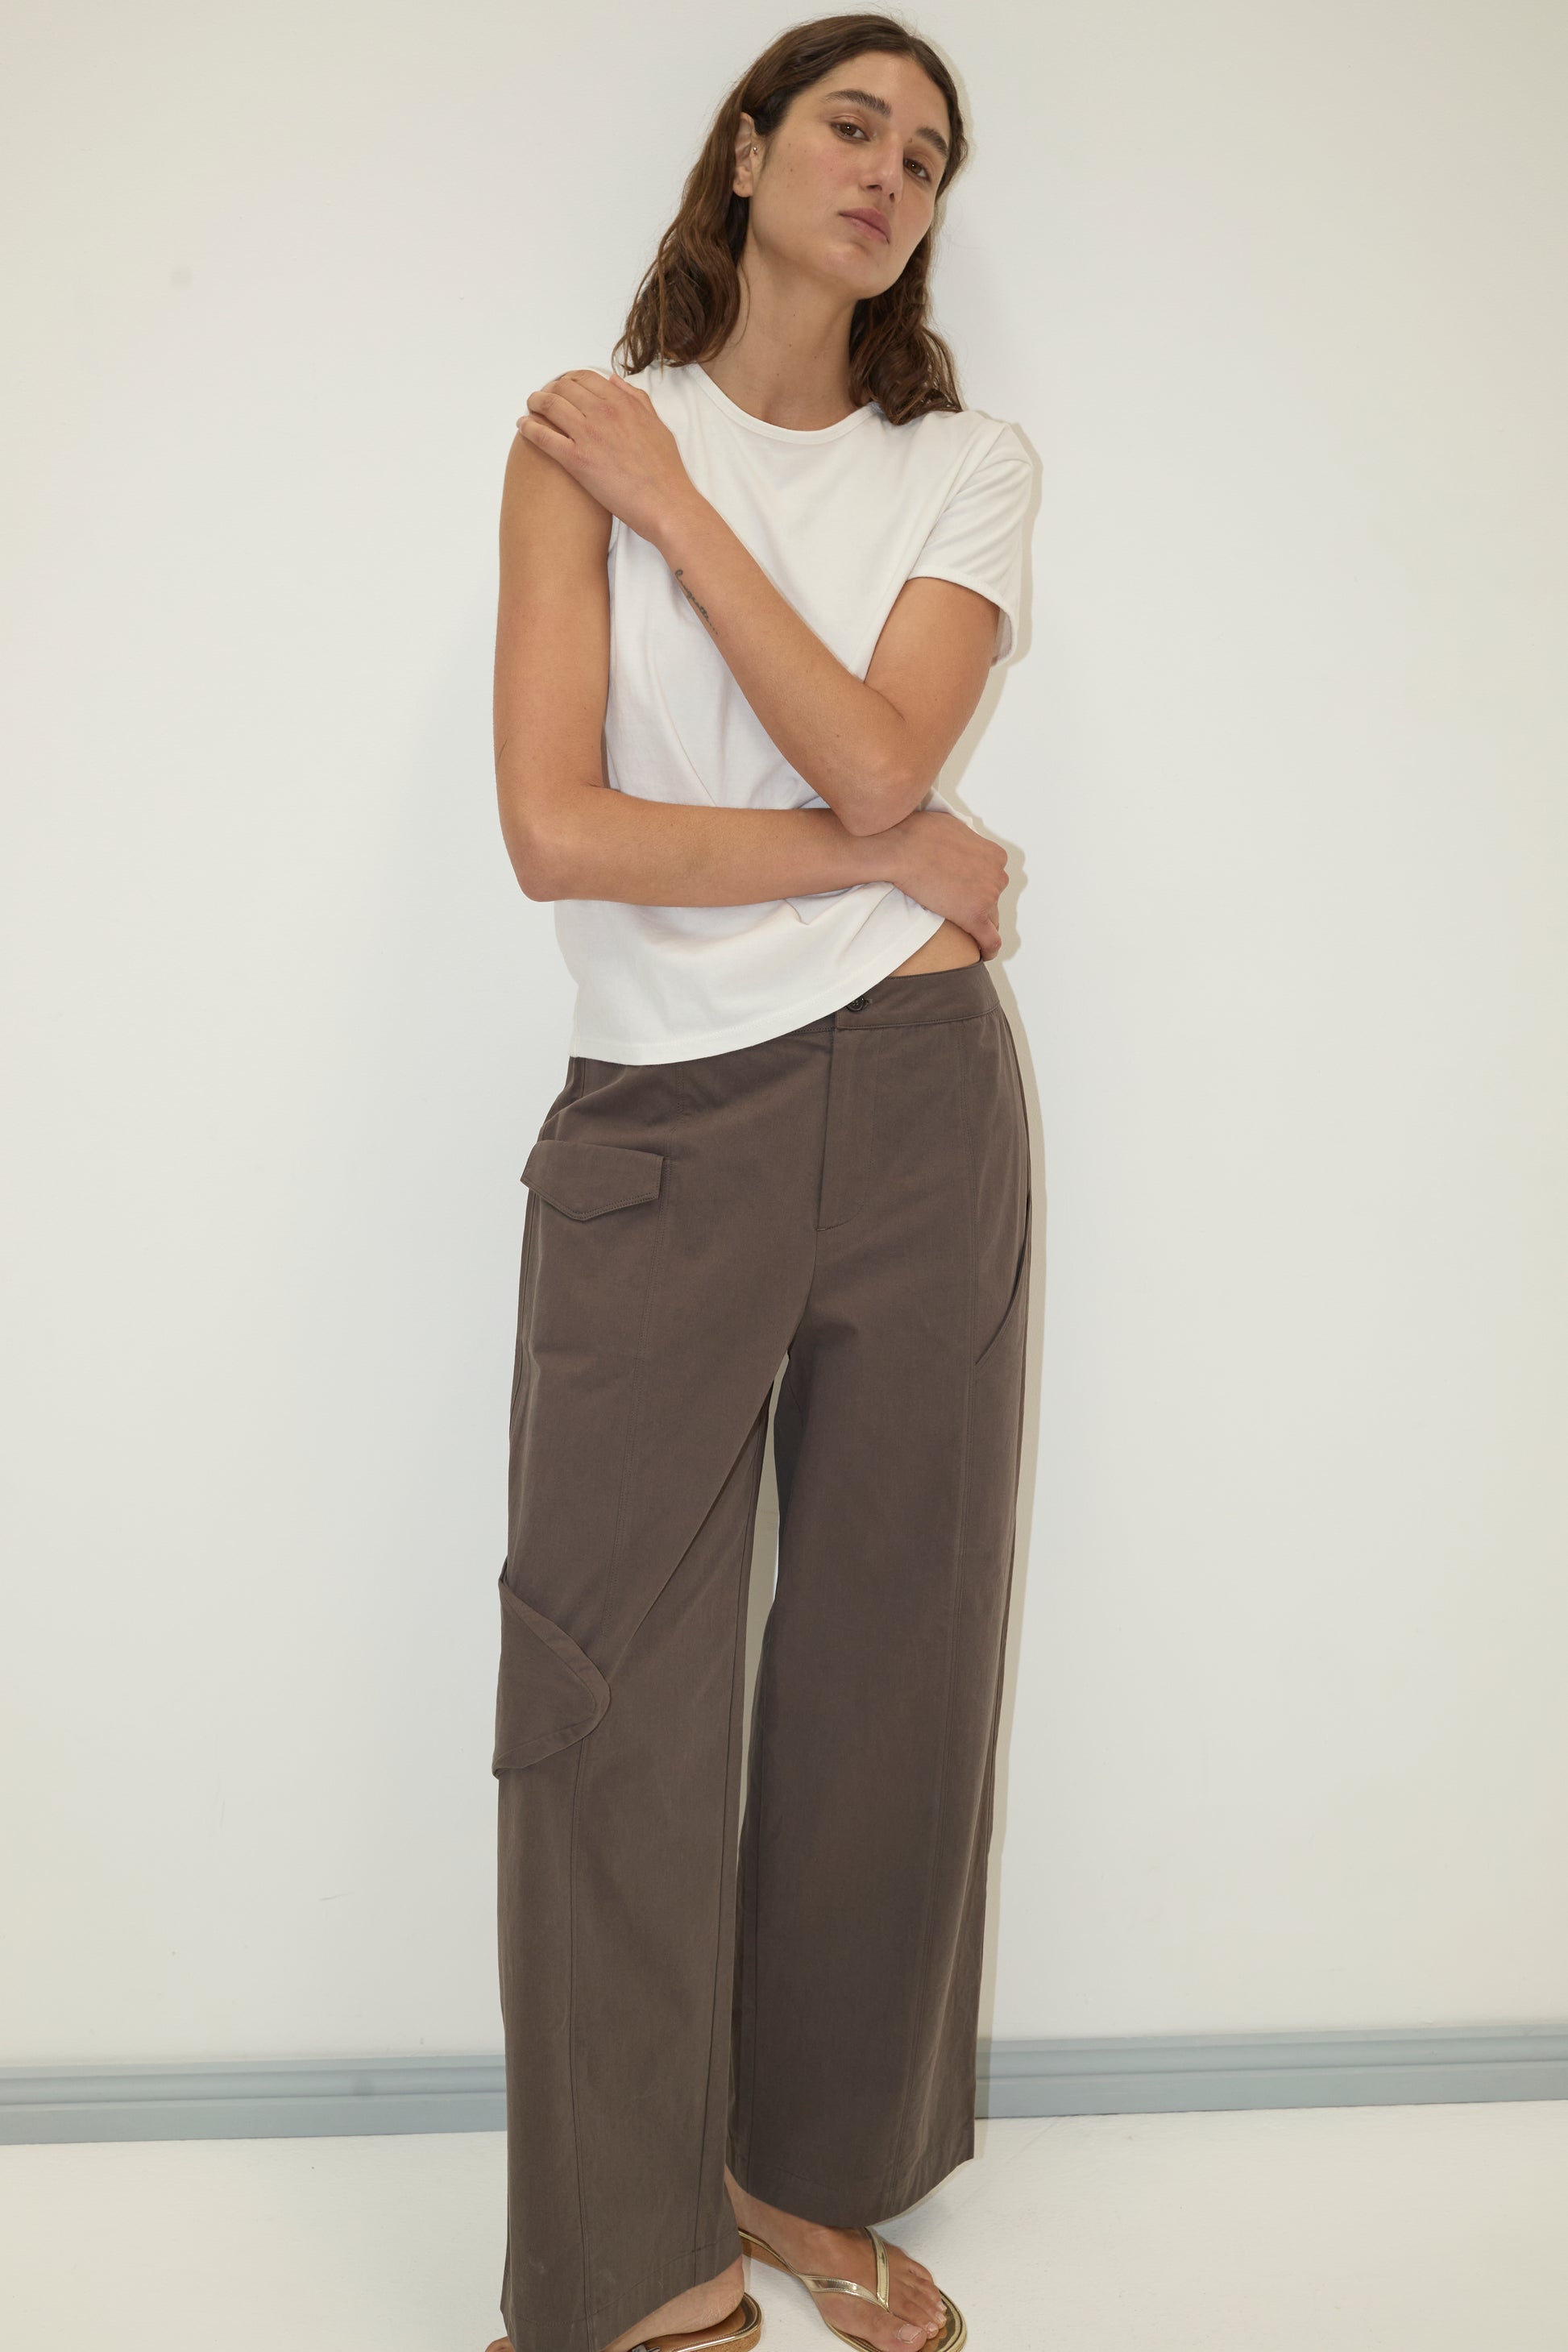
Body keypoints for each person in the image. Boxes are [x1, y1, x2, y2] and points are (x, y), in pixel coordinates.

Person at [485, 19, 1035, 2352]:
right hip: (661, 1128)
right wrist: (891, 853)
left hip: (922, 1098)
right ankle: (622, 2267)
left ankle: (794, 2167)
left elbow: (885, 738)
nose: (886, 170)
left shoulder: (963, 464)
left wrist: (690, 520)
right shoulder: (577, 436)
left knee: (893, 1666)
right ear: (743, 145)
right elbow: (559, 834)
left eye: (924, 152)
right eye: (847, 122)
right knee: (606, 1685)